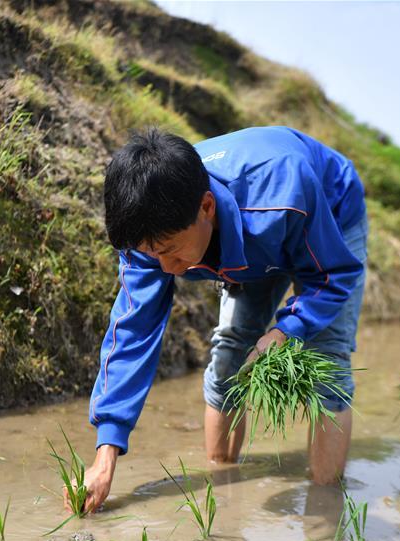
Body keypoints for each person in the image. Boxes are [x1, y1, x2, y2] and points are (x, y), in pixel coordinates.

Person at [73, 126, 368, 514]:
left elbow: (332, 277)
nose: (165, 268)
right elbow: (133, 332)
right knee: (231, 354)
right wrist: (104, 457)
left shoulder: (283, 192)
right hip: (251, 236)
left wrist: (285, 330)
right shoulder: (148, 229)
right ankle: (225, 493)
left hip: (324, 210)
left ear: (206, 208)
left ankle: (324, 508)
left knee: (328, 359)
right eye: (151, 255)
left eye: (169, 251)